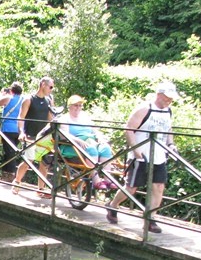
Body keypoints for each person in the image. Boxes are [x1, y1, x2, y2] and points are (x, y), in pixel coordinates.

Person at [105, 81, 180, 233]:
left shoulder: (168, 111)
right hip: (141, 155)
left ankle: (150, 219)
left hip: (159, 155)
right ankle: (113, 205)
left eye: (171, 99)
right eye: (166, 98)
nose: (169, 101)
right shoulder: (144, 109)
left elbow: (168, 129)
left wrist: (171, 144)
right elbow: (129, 128)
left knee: (158, 187)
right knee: (131, 188)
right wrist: (136, 149)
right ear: (159, 95)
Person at [57, 95, 115, 190]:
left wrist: (100, 138)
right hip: (73, 144)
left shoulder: (85, 117)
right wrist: (78, 140)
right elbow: (65, 135)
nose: (78, 108)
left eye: (80, 105)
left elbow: (95, 130)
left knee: (105, 149)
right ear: (70, 106)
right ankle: (96, 180)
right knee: (91, 149)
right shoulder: (64, 118)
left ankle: (108, 179)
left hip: (90, 141)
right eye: (76, 105)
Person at [12, 77, 56, 197]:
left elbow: (50, 118)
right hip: (30, 135)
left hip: (44, 137)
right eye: (50, 87)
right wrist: (21, 132)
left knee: (44, 163)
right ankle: (17, 182)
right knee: (28, 161)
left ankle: (40, 189)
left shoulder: (49, 100)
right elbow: (21, 117)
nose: (52, 89)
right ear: (43, 85)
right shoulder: (29, 99)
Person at [0, 82, 24, 180]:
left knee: (10, 153)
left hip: (8, 129)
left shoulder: (9, 98)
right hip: (19, 129)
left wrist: (2, 94)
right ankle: (5, 174)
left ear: (11, 90)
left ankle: (11, 175)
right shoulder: (24, 100)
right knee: (9, 152)